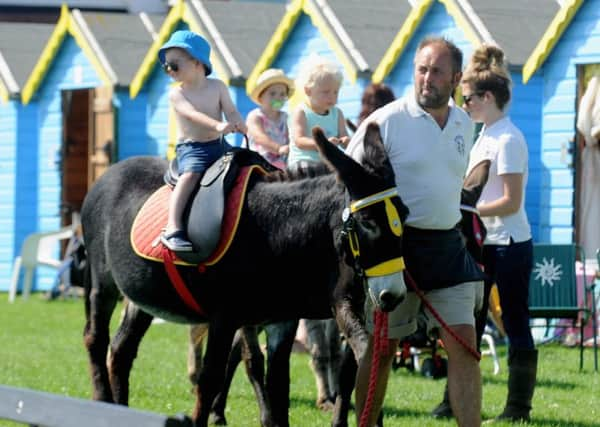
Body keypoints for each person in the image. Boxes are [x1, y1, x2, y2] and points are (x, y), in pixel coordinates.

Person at [346, 37, 485, 427]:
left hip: (448, 246)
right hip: (397, 251)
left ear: (456, 78)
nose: (426, 78)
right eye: (421, 70)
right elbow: (351, 183)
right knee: (383, 349)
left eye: (437, 71)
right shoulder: (385, 121)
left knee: (464, 344)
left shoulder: (463, 123)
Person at [461, 44, 536, 423]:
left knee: (516, 321)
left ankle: (518, 408)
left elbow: (509, 201)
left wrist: (467, 210)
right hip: (485, 242)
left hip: (509, 245)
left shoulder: (507, 139)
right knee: (470, 321)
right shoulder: (484, 135)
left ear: (487, 97)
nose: (465, 105)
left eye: (468, 99)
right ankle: (455, 400)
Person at [158, 30, 246, 251]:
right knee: (190, 176)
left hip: (218, 145)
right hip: (193, 149)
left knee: (244, 167)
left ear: (197, 62)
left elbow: (231, 111)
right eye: (165, 66)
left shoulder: (218, 87)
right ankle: (173, 227)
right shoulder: (177, 94)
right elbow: (191, 114)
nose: (169, 70)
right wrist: (217, 126)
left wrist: (238, 123)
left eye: (174, 65)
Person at [288, 55, 349, 169]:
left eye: (336, 92)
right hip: (303, 163)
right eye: (326, 92)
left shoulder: (337, 113)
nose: (332, 97)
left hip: (328, 164)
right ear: (308, 91)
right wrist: (324, 144)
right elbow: (299, 141)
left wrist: (346, 141)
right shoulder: (301, 112)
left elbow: (344, 135)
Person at [246, 68, 294, 169]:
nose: (278, 97)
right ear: (261, 97)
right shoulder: (255, 116)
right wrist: (278, 148)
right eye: (272, 94)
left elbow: (291, 137)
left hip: (281, 161)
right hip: (258, 161)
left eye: (282, 94)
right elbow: (259, 137)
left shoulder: (285, 117)